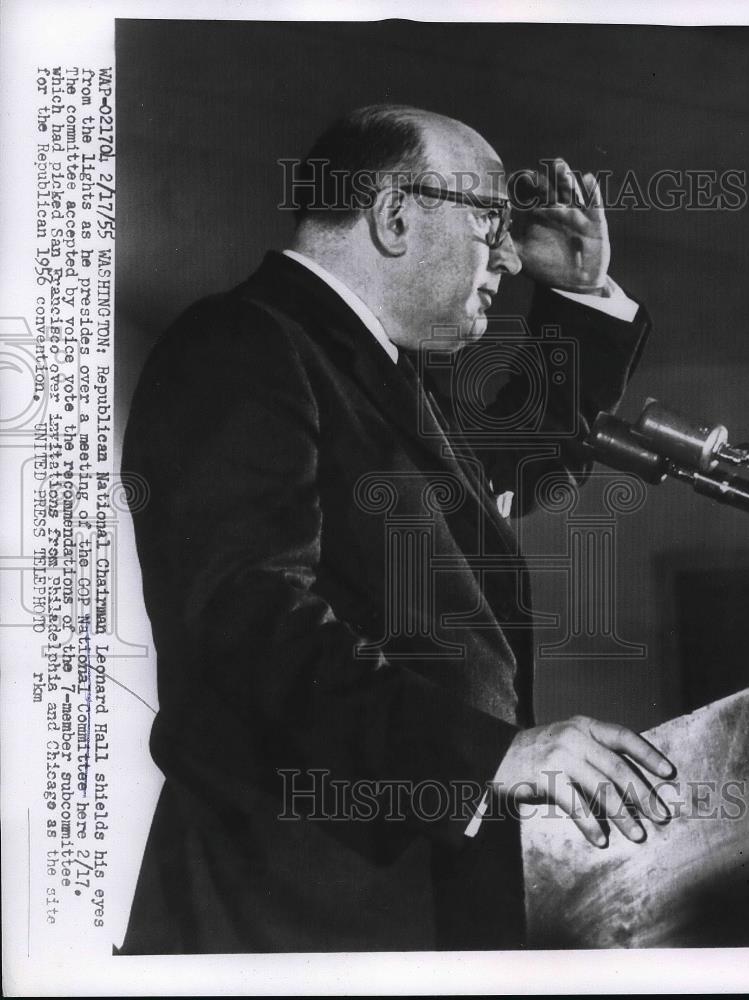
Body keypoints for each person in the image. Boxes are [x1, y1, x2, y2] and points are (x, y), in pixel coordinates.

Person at [120, 104, 674, 954]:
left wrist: (578, 297)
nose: (509, 251)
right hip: (284, 914)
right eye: (492, 218)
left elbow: (509, 472)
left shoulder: (381, 372)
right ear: (392, 214)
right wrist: (495, 757)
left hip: (390, 899)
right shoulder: (239, 344)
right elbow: (249, 616)